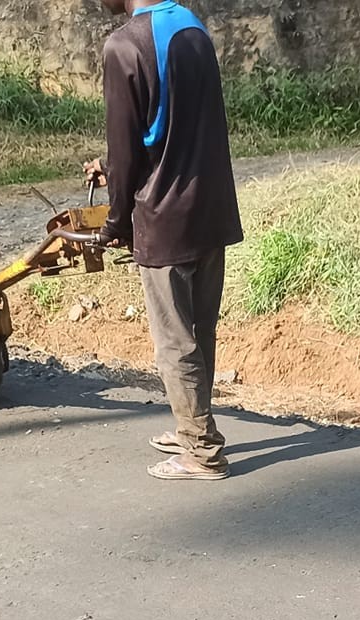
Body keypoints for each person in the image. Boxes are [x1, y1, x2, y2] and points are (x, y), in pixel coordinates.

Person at [90, 0, 243, 482]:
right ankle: (192, 425)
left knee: (175, 341)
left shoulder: (123, 45)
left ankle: (201, 452)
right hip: (210, 207)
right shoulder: (192, 26)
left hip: (165, 215)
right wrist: (111, 165)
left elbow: (127, 144)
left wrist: (115, 223)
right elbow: (172, 126)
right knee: (200, 331)